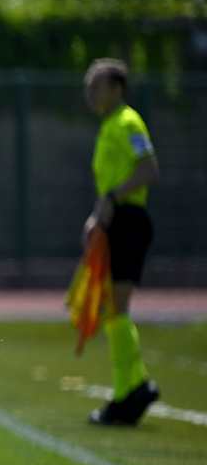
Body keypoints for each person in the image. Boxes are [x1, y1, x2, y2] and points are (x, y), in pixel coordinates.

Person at [81, 58, 160, 426]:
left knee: (118, 308)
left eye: (96, 86)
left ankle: (132, 389)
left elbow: (148, 169)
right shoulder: (109, 126)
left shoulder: (128, 122)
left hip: (129, 221)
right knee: (113, 309)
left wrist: (112, 200)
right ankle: (129, 389)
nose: (91, 93)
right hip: (116, 222)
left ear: (117, 88)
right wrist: (98, 217)